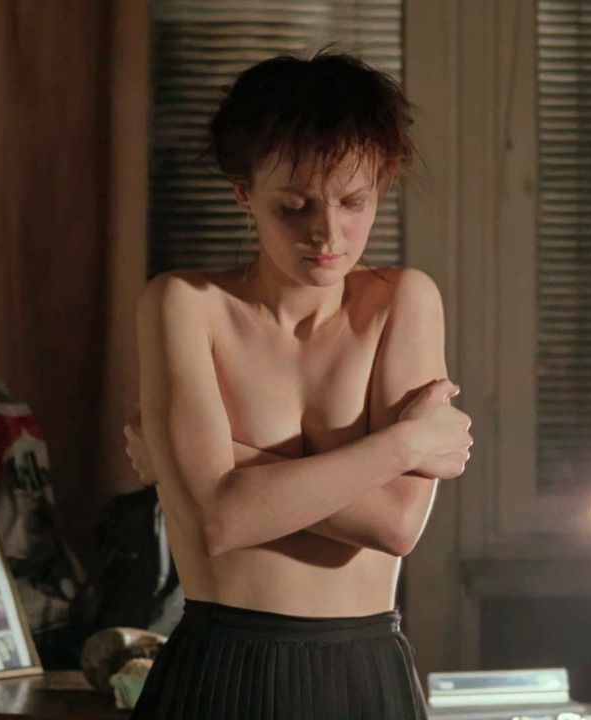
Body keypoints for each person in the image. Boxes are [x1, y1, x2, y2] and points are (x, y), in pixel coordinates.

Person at [124, 49, 473, 719]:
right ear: (244, 193)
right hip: (221, 665)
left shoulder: (402, 302)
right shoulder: (184, 304)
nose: (327, 233)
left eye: (354, 202)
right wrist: (403, 445)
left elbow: (397, 524)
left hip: (363, 666)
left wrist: (212, 464)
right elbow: (223, 520)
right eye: (294, 206)